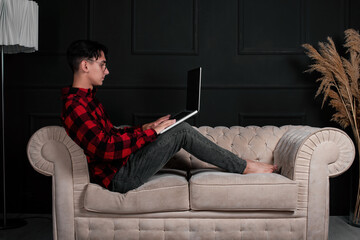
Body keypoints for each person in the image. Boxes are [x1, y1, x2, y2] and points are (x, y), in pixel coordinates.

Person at [61, 40, 277, 194]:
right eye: (103, 64)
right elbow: (106, 147)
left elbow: (110, 135)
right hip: (120, 176)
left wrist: (146, 128)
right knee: (181, 131)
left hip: (123, 165)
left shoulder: (88, 101)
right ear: (85, 65)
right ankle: (242, 166)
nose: (106, 71)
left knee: (174, 126)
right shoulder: (75, 107)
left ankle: (238, 163)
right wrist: (150, 134)